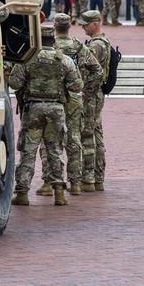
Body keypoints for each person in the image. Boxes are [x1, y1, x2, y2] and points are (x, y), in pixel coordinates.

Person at [9, 26, 83, 206]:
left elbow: (14, 83)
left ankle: (22, 193)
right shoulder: (64, 60)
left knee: (28, 150)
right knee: (55, 151)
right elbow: (76, 86)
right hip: (56, 110)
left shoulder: (27, 59)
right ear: (54, 41)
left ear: (38, 40)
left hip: (33, 108)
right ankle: (59, 193)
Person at [36, 14, 103, 196]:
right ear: (69, 27)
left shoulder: (49, 47)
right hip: (74, 99)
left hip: (52, 98)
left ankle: (49, 184)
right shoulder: (78, 46)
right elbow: (97, 71)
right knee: (74, 139)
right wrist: (85, 91)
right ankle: (75, 184)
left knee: (49, 141)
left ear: (55, 26)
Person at [78, 10, 111, 191]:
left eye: (86, 24)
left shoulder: (97, 45)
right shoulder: (99, 42)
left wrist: (85, 93)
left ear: (96, 23)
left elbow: (93, 73)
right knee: (96, 133)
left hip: (92, 94)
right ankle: (98, 177)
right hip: (95, 94)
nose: (83, 27)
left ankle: (89, 178)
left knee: (88, 133)